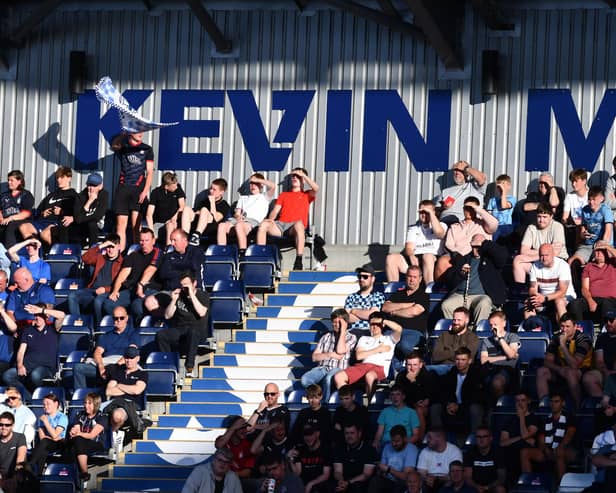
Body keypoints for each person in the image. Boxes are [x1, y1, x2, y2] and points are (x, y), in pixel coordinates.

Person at [256, 168, 319, 271]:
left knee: (299, 224)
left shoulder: (306, 195)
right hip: (281, 225)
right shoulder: (284, 195)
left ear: (303, 180)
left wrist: (303, 175)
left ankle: (298, 260)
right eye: (293, 176)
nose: (295, 177)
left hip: (294, 227)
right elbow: (275, 211)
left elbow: (316, 188)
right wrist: (270, 219)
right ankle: (260, 257)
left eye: (298, 176)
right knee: (263, 225)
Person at [440, 235, 507, 327]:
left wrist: (485, 244)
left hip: (481, 296)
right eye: (474, 247)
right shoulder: (464, 259)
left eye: (479, 247)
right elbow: (449, 280)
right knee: (447, 305)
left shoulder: (491, 260)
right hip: (461, 295)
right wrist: (461, 273)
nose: (477, 249)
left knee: (484, 303)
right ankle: (457, 332)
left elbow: (503, 256)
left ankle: (478, 333)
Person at [334, 312, 402, 402]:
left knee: (370, 376)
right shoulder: (364, 338)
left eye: (377, 324)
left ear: (383, 325)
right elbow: (359, 356)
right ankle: (349, 402)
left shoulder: (389, 339)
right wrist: (378, 349)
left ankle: (369, 406)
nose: (374, 327)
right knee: (339, 376)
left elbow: (399, 329)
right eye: (371, 324)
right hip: (362, 366)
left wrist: (382, 320)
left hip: (379, 368)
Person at [3, 303, 64, 402]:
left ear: (46, 316)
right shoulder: (28, 330)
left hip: (45, 368)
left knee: (35, 375)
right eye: (35, 315)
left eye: (40, 316)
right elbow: (21, 350)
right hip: (27, 367)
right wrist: (19, 365)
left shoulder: (53, 329)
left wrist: (42, 310)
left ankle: (37, 398)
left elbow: (62, 315)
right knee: (7, 375)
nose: (37, 318)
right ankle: (29, 398)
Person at [72, 305, 139, 391]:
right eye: (116, 318)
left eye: (121, 318)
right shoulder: (106, 336)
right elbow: (98, 352)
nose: (118, 320)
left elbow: (131, 352)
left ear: (126, 318)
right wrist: (101, 366)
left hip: (123, 366)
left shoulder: (133, 333)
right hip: (106, 365)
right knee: (78, 368)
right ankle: (82, 398)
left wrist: (114, 367)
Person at [155, 271, 209, 377]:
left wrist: (192, 295)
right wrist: (173, 300)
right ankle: (168, 364)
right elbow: (167, 315)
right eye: (182, 285)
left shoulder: (203, 295)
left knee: (193, 332)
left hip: (197, 329)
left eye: (187, 285)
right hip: (180, 328)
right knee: (161, 335)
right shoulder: (179, 295)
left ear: (194, 284)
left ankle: (189, 367)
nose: (184, 288)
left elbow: (202, 312)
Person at [102, 227, 162, 320]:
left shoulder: (158, 253)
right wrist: (115, 291)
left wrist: (140, 285)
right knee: (108, 304)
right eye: (142, 240)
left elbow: (150, 270)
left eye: (147, 240)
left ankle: (135, 330)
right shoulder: (133, 255)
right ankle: (122, 325)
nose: (144, 243)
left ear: (153, 241)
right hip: (131, 289)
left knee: (136, 306)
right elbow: (123, 274)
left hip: (149, 289)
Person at [385, 200, 447, 291]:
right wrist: (411, 255)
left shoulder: (442, 225)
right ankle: (394, 287)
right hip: (416, 259)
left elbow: (439, 233)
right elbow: (409, 247)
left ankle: (430, 286)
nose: (424, 215)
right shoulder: (414, 228)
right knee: (391, 257)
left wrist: (432, 214)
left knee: (427, 256)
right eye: (421, 212)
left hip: (433, 259)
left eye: (427, 212)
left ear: (433, 213)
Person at [536, 312, 594, 406]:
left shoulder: (583, 339)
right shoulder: (556, 338)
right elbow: (547, 361)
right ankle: (544, 405)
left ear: (575, 327)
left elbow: (575, 365)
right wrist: (559, 369)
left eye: (568, 326)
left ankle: (578, 406)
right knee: (541, 371)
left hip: (582, 370)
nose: (564, 330)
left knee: (570, 372)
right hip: (562, 370)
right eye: (562, 326)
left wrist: (563, 345)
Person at [435, 197, 498, 281]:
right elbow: (448, 244)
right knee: (443, 261)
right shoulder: (455, 226)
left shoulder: (484, 224)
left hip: (478, 256)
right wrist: (459, 256)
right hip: (457, 256)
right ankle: (440, 288)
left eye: (471, 208)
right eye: (466, 208)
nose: (469, 210)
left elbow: (494, 224)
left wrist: (477, 209)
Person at [111, 131, 155, 252]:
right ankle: (120, 254)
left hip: (138, 191)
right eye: (137, 131)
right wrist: (124, 134)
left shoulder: (147, 149)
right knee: (121, 226)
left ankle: (137, 254)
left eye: (142, 131)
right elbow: (114, 145)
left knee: (136, 227)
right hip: (123, 189)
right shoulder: (123, 146)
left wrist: (145, 191)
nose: (141, 133)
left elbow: (150, 172)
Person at [301, 308, 357, 403]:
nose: (336, 325)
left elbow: (340, 350)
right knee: (305, 379)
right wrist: (330, 354)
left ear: (346, 323)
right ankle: (318, 393)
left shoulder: (351, 337)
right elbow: (314, 357)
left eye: (340, 322)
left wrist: (343, 331)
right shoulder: (325, 337)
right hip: (322, 368)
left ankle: (324, 403)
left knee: (328, 379)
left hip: (338, 369)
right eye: (334, 322)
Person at [520, 391, 576, 483]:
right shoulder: (546, 419)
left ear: (563, 403)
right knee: (524, 452)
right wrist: (545, 448)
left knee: (559, 451)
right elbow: (541, 439)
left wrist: (560, 446)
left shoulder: (570, 417)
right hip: (549, 451)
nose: (553, 404)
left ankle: (561, 486)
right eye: (551, 401)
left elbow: (570, 434)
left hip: (566, 450)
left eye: (556, 401)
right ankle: (527, 483)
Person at [68, 233, 124, 324]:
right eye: (108, 247)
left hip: (108, 292)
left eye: (112, 247)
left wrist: (105, 289)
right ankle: (78, 324)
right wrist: (101, 246)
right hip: (92, 290)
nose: (110, 250)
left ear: (119, 247)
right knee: (72, 296)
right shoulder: (101, 257)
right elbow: (84, 258)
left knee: (97, 302)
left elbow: (122, 283)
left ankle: (98, 328)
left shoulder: (122, 262)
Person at [18, 166, 78, 246]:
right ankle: (36, 252)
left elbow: (78, 214)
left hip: (57, 224)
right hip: (42, 222)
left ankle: (56, 253)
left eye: (62, 177)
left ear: (69, 178)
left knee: (45, 234)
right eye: (57, 178)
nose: (59, 180)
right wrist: (43, 213)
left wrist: (62, 212)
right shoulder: (51, 195)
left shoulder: (74, 195)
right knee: (23, 227)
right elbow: (38, 211)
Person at [216, 172, 275, 253]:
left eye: (256, 183)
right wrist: (238, 216)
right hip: (238, 220)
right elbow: (237, 212)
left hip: (252, 222)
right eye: (251, 183)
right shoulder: (243, 198)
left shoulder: (264, 197)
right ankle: (221, 253)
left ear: (261, 185)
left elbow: (273, 186)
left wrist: (257, 179)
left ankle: (242, 252)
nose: (253, 185)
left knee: (239, 226)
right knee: (221, 225)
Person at [512, 203, 567, 286]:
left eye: (544, 217)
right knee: (518, 260)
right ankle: (520, 291)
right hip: (539, 262)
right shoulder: (531, 227)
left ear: (551, 216)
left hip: (556, 263)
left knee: (521, 259)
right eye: (539, 216)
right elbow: (523, 251)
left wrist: (532, 254)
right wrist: (546, 251)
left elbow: (555, 253)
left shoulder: (557, 227)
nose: (541, 220)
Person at [104, 346, 149, 449]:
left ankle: (113, 437)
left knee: (118, 415)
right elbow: (109, 390)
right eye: (127, 358)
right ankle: (114, 436)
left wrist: (119, 386)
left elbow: (137, 390)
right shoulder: (118, 372)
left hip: (131, 405)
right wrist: (129, 389)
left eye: (131, 358)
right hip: (114, 403)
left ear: (137, 358)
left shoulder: (142, 374)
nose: (128, 360)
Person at [433, 347, 485, 434]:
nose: (459, 362)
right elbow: (443, 392)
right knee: (435, 407)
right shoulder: (451, 373)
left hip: (467, 407)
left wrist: (459, 406)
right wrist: (448, 404)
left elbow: (477, 398)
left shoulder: (477, 374)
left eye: (463, 359)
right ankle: (437, 436)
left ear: (469, 361)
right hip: (453, 406)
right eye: (457, 359)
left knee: (475, 408)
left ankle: (474, 439)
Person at [381, 266, 428, 358]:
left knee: (405, 346)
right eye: (409, 276)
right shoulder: (397, 294)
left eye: (415, 277)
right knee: (382, 345)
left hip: (413, 331)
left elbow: (414, 311)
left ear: (420, 279)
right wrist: (405, 305)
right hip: (392, 329)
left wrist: (394, 312)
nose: (411, 280)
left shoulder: (423, 296)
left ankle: (407, 366)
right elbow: (385, 307)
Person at [523, 243, 576, 322]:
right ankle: (533, 329)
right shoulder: (535, 266)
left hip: (564, 297)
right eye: (541, 255)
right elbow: (532, 288)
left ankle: (563, 330)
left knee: (559, 301)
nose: (543, 258)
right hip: (544, 298)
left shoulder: (563, 266)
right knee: (528, 303)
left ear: (553, 254)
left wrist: (545, 298)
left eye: (546, 255)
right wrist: (535, 297)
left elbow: (562, 292)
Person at [65, 392, 107, 483]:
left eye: (89, 403)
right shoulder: (80, 415)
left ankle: (83, 473)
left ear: (96, 404)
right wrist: (73, 432)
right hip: (80, 443)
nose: (86, 405)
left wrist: (78, 434)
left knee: (77, 443)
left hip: (96, 443)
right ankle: (79, 478)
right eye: (85, 403)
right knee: (76, 444)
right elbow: (76, 429)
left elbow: (92, 435)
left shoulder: (102, 417)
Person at [568, 242, 616, 322]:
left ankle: (605, 330)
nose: (599, 253)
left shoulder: (612, 263)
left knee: (607, 303)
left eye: (602, 251)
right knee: (575, 304)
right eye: (597, 251)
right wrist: (590, 301)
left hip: (611, 300)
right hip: (594, 298)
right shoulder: (589, 267)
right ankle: (580, 330)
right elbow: (584, 288)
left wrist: (607, 247)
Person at [498, 392, 540, 485]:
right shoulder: (508, 420)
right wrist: (521, 438)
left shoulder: (534, 418)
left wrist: (521, 417)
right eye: (517, 401)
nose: (520, 403)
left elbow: (526, 436)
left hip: (528, 458)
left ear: (528, 401)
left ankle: (527, 485)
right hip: (510, 457)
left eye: (523, 400)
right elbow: (502, 443)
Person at [568, 186, 613, 268]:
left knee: (596, 263)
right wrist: (584, 234)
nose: (591, 202)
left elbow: (608, 232)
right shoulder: (585, 210)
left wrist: (601, 246)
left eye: (594, 199)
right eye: (589, 199)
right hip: (588, 245)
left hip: (602, 245)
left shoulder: (606, 210)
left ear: (601, 199)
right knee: (573, 262)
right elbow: (582, 231)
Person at [479, 310, 520, 401]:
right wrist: (505, 357)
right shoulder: (487, 341)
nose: (492, 328)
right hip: (490, 370)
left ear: (504, 324)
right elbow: (483, 360)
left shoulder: (512, 337)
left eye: (495, 325)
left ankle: (498, 408)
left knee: (497, 383)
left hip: (507, 370)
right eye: (491, 325)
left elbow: (511, 354)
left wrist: (500, 339)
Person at [394, 352, 439, 432]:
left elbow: (433, 395)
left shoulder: (429, 376)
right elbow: (399, 395)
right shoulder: (401, 376)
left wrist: (427, 400)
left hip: (425, 407)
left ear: (420, 365)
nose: (412, 368)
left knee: (419, 410)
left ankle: (419, 441)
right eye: (409, 365)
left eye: (415, 365)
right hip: (407, 404)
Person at [429, 307, 479, 376]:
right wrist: (456, 351)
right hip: (442, 367)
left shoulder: (472, 337)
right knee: (426, 370)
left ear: (466, 321)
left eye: (459, 320)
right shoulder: (444, 335)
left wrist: (446, 352)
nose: (456, 322)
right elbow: (435, 356)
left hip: (461, 370)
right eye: (454, 320)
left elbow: (466, 359)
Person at [368, 425, 418, 493]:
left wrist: (389, 470)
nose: (394, 444)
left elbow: (406, 477)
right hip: (388, 480)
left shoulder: (411, 450)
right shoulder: (387, 447)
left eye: (397, 441)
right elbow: (382, 469)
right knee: (375, 480)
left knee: (400, 486)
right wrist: (379, 469)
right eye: (392, 441)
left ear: (405, 439)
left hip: (401, 483)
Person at [27, 393, 68, 475]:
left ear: (56, 404)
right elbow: (42, 437)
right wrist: (53, 437)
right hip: (47, 444)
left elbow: (55, 435)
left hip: (59, 444)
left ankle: (30, 464)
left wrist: (46, 422)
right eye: (44, 404)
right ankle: (38, 475)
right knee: (43, 450)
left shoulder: (62, 417)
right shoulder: (42, 417)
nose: (45, 406)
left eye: (48, 404)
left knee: (44, 445)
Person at [182, 178, 231, 247]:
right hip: (197, 224)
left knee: (204, 210)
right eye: (211, 188)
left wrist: (212, 203)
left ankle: (196, 236)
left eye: (214, 190)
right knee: (187, 209)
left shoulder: (224, 205)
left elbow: (216, 219)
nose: (211, 191)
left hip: (211, 228)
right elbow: (196, 212)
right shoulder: (205, 201)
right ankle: (184, 236)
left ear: (221, 192)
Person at [438, 161, 487, 226]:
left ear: (467, 173)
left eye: (460, 170)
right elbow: (435, 210)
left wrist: (466, 168)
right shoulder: (445, 191)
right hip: (444, 223)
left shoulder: (474, 186)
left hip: (464, 223)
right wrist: (443, 207)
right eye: (455, 170)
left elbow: (482, 178)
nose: (457, 172)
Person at [333, 422, 378, 493]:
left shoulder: (370, 450)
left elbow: (366, 475)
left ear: (359, 434)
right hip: (343, 481)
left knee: (357, 488)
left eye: (352, 433)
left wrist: (348, 483)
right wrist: (341, 481)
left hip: (360, 483)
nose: (349, 436)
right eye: (346, 433)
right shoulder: (339, 449)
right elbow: (338, 471)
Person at [287, 424, 332, 493]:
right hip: (303, 484)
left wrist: (311, 484)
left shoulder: (325, 449)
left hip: (319, 484)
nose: (308, 438)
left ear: (317, 433)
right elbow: (297, 473)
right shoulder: (300, 449)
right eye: (305, 434)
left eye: (310, 434)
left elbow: (326, 475)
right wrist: (290, 460)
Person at [373, 386, 420, 450]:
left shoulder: (411, 412)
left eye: (398, 394)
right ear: (390, 397)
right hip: (387, 444)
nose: (395, 397)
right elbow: (379, 433)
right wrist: (376, 441)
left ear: (403, 397)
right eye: (392, 394)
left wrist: (403, 444)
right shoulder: (384, 412)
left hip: (404, 444)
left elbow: (416, 435)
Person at [416, 428, 462, 493]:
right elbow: (421, 473)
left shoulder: (454, 451)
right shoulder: (425, 451)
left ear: (439, 438)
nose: (426, 440)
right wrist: (426, 478)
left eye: (429, 437)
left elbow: (457, 474)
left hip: (448, 482)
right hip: (429, 483)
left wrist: (437, 479)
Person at [145, 171, 186, 246]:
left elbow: (182, 206)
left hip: (174, 223)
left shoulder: (178, 189)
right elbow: (149, 214)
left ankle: (168, 249)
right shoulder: (155, 193)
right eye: (173, 186)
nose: (176, 187)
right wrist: (151, 231)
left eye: (176, 184)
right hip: (159, 224)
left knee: (170, 225)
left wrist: (173, 218)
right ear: (166, 186)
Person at [345, 264, 386, 335]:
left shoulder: (378, 296)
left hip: (369, 332)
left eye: (365, 277)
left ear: (373, 279)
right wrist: (365, 314)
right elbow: (346, 318)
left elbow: (374, 315)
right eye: (359, 276)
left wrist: (354, 311)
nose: (361, 279)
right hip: (351, 332)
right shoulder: (351, 297)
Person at [214, 415, 256, 483]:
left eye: (245, 427)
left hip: (239, 480)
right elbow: (219, 445)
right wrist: (233, 428)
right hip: (221, 479)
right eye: (241, 428)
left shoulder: (248, 445)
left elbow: (247, 472)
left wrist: (230, 475)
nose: (245, 430)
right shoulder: (224, 440)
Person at [462, 426, 505, 493]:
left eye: (484, 436)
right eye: (478, 437)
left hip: (493, 486)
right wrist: (477, 486)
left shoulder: (498, 452)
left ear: (490, 438)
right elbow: (468, 477)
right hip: (475, 486)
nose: (481, 439)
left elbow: (501, 477)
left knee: (500, 489)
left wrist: (488, 487)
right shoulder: (470, 453)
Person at [71, 172, 109, 247]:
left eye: (94, 186)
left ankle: (93, 252)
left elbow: (97, 216)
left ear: (100, 186)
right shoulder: (81, 196)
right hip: (82, 226)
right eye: (89, 185)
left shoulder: (104, 195)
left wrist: (81, 217)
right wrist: (89, 201)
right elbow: (78, 219)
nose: (91, 188)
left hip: (97, 226)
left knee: (92, 224)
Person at [0, 169, 35, 248]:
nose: (9, 182)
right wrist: (1, 218)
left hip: (21, 221)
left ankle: (10, 254)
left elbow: (26, 213)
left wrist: (10, 218)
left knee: (11, 226)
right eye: (8, 180)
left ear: (19, 181)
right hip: (5, 221)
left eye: (12, 180)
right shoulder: (4, 195)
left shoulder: (26, 195)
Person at [486, 174, 517, 241]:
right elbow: (489, 214)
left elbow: (504, 206)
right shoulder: (492, 200)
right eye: (499, 186)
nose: (500, 188)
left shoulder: (512, 199)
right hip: (495, 226)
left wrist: (504, 192)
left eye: (503, 185)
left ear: (509, 186)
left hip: (506, 225)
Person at [0, 411, 27, 484]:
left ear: (12, 425)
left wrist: (18, 468)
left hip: (14, 475)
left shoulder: (20, 437)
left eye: (7, 425)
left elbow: (21, 456)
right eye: (1, 424)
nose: (3, 427)